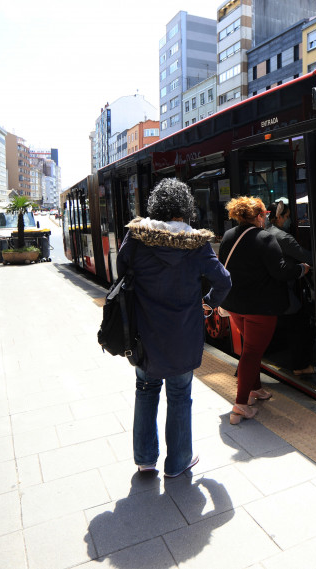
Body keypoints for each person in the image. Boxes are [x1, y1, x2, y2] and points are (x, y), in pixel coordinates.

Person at [117, 178, 231, 478]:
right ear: (185, 208)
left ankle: (144, 459)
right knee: (180, 395)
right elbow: (224, 281)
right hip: (183, 333)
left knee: (145, 390)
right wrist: (206, 304)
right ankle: (178, 462)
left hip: (144, 334)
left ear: (155, 206)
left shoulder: (136, 238)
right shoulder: (197, 244)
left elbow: (121, 272)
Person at [219, 196, 310, 424]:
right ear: (259, 216)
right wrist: (301, 269)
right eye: (264, 216)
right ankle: (240, 405)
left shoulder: (229, 236)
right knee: (251, 352)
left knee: (251, 348)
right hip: (260, 308)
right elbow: (280, 271)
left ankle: (255, 389)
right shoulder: (265, 238)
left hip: (234, 306)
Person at [266, 199, 315, 376]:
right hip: (283, 291)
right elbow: (306, 257)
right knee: (300, 327)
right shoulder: (283, 237)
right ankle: (300, 366)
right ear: (279, 217)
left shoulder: (265, 233)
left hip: (268, 291)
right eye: (286, 217)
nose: (288, 220)